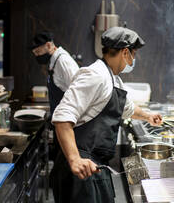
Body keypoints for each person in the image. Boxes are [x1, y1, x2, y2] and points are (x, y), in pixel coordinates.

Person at [51, 26, 162, 203]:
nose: (134, 59)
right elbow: (62, 117)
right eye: (134, 54)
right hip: (80, 167)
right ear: (125, 52)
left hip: (95, 164)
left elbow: (128, 108)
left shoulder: (112, 78)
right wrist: (74, 159)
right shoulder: (95, 75)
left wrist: (148, 116)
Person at [31, 32, 79, 114]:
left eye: (38, 52)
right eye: (35, 53)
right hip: (59, 115)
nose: (37, 56)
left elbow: (77, 92)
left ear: (49, 46)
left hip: (66, 117)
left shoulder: (63, 61)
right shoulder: (54, 61)